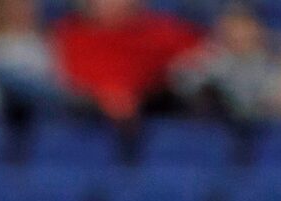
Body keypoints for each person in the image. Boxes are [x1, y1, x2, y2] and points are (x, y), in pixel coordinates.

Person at [50, 0, 205, 120]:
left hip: (154, 109)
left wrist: (136, 92)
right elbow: (65, 79)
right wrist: (104, 95)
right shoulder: (69, 36)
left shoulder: (164, 32)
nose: (114, 4)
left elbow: (200, 56)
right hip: (85, 115)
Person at [173, 5, 281, 120]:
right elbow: (182, 81)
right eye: (231, 29)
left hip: (271, 128)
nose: (237, 35)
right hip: (220, 128)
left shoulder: (280, 57)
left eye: (243, 28)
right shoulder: (214, 59)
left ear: (257, 29)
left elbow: (279, 103)